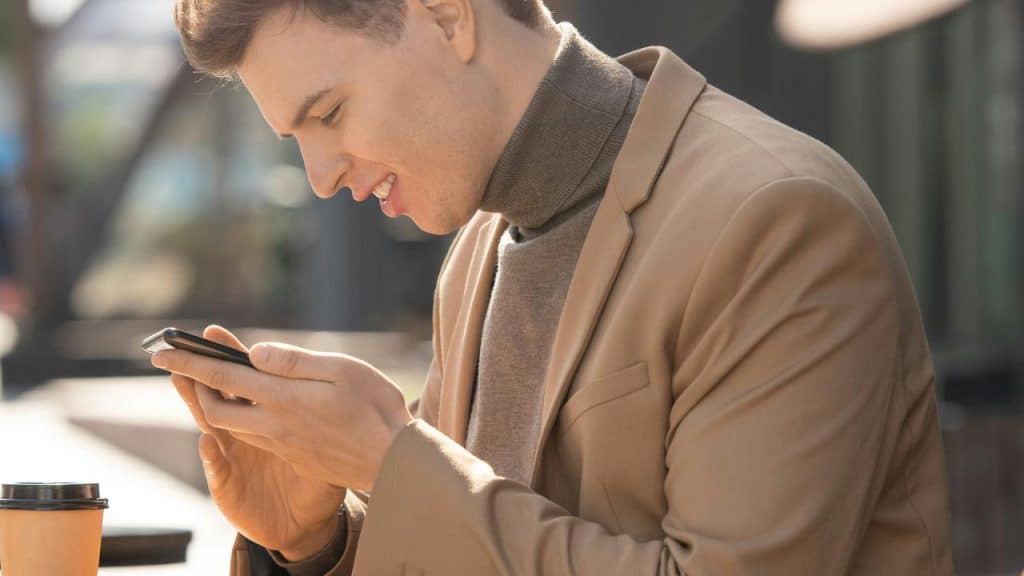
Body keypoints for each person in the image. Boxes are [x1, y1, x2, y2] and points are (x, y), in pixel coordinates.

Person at [153, 0, 955, 574]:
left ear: (444, 14)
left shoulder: (777, 219)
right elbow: (471, 543)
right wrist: (319, 542)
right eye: (298, 139)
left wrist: (394, 464)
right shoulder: (479, 250)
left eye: (328, 113)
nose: (320, 177)